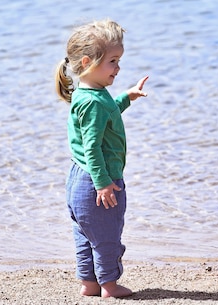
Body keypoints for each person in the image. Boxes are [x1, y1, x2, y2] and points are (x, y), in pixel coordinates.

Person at [55, 19, 149, 298]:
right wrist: (104, 183)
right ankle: (109, 285)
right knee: (107, 236)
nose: (118, 68)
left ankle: (89, 284)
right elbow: (92, 146)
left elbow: (106, 117)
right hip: (97, 180)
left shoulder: (88, 95)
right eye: (112, 61)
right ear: (88, 62)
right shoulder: (94, 102)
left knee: (85, 236)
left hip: (78, 179)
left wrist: (126, 98)